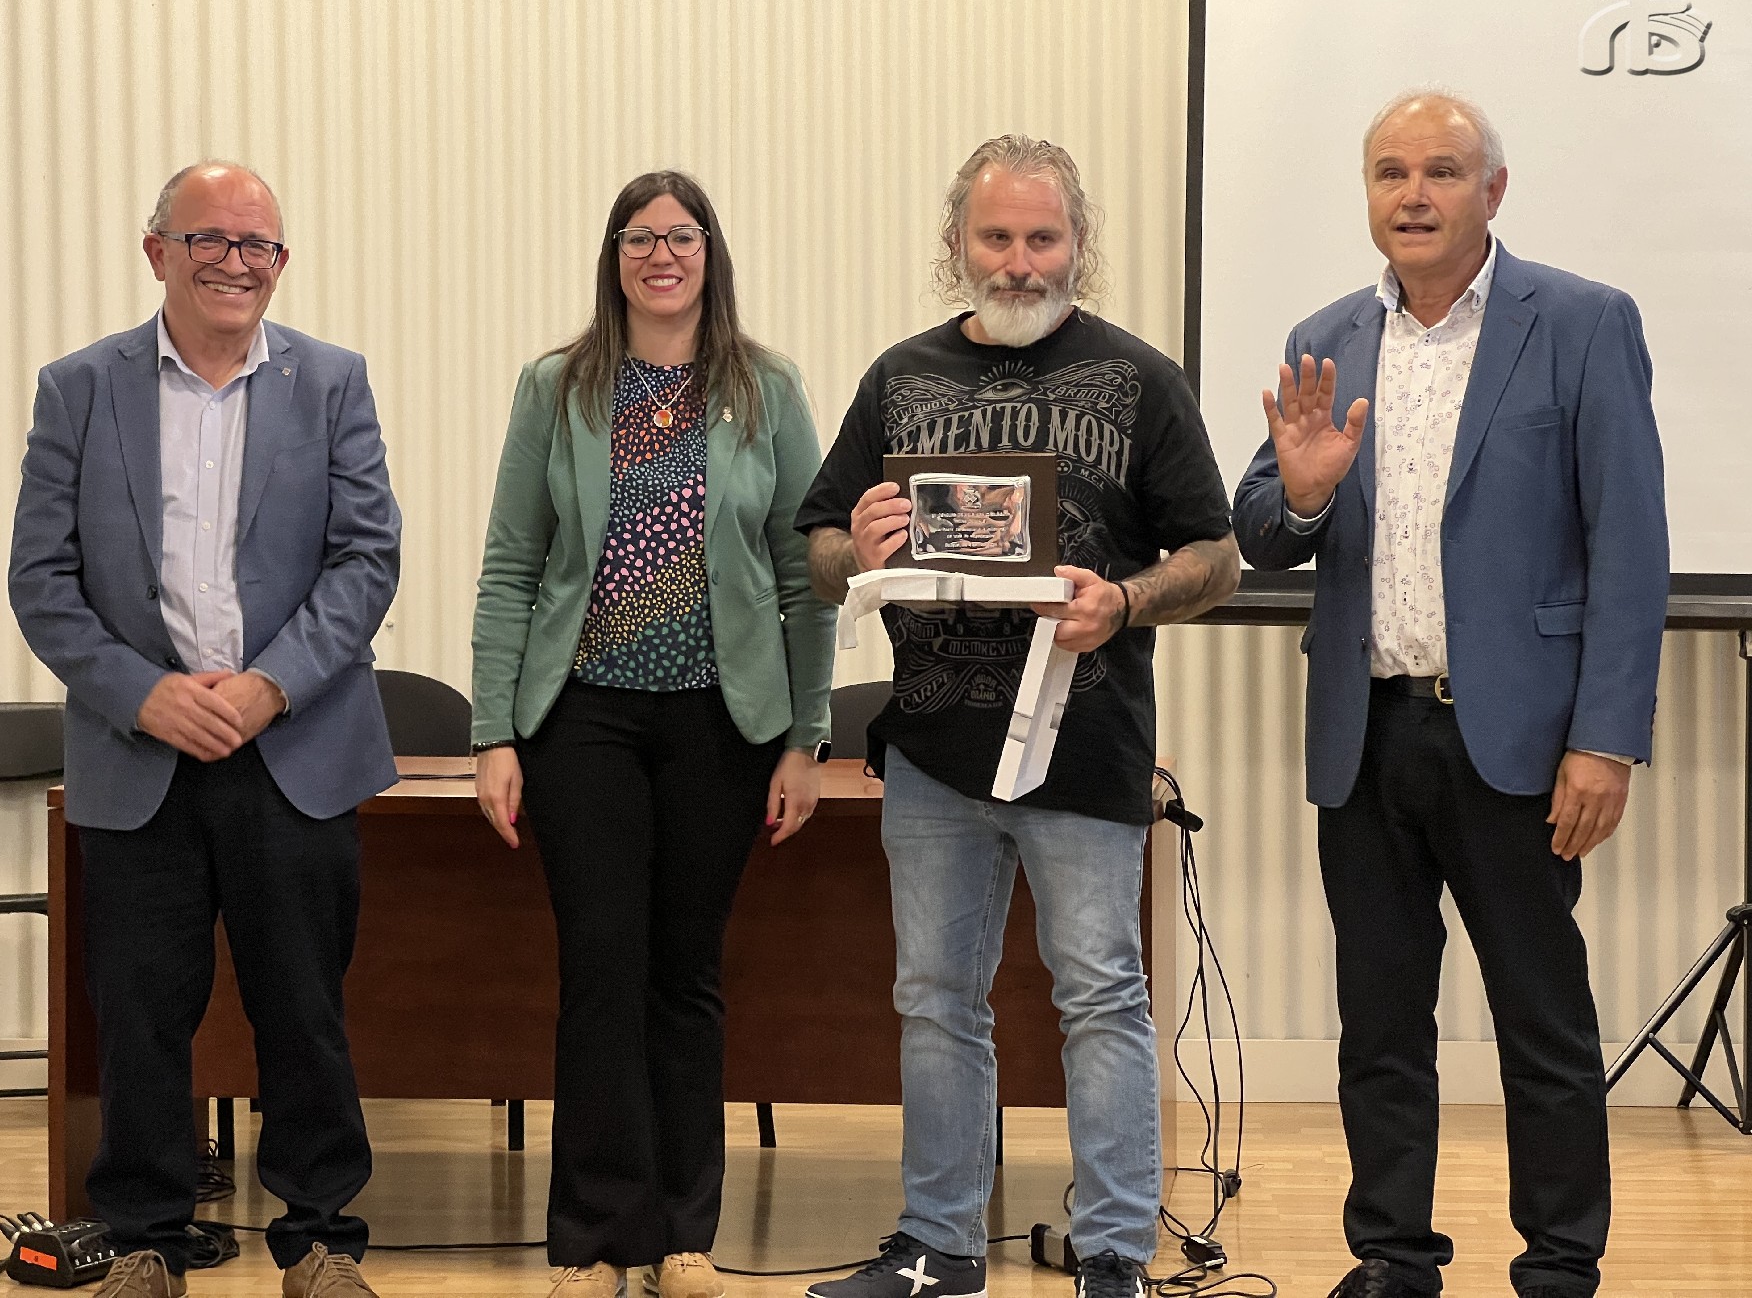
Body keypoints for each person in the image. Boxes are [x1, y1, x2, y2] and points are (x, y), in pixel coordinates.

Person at [1233, 90, 1667, 1298]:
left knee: (1542, 1020)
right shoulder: (1326, 335)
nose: (1413, 195)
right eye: (1390, 173)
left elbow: (1630, 546)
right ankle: (1393, 1255)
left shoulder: (1580, 322)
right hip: (1365, 735)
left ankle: (1561, 1263)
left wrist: (1606, 739)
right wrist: (1306, 493)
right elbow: (1261, 528)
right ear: (1368, 193)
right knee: (1379, 1024)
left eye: (1441, 171)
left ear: (1493, 189)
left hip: (1518, 738)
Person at [797, 135, 1240, 1298]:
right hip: (934, 754)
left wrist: (1125, 601)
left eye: (1043, 238)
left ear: (1079, 244)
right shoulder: (898, 379)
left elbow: (1217, 556)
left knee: (1102, 997)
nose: (1019, 261)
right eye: (996, 237)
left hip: (1084, 744)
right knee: (935, 1001)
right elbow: (820, 550)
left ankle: (1114, 1255)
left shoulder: (1141, 381)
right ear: (958, 243)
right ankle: (938, 1247)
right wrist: (860, 548)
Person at [8, 162, 401, 1298]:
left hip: (293, 751)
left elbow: (366, 558)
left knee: (304, 1012)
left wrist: (272, 684)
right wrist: (142, 692)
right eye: (209, 240)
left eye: (257, 245)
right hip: (142, 754)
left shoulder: (332, 381)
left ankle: (320, 1242)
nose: (236, 262)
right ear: (158, 253)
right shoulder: (80, 389)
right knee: (140, 1014)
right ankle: (146, 1242)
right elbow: (42, 580)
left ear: (281, 263)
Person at [470, 169, 836, 1298]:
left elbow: (805, 574)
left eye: (681, 236)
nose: (661, 256)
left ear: (710, 253)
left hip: (723, 722)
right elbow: (512, 566)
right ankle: (593, 1239)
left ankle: (682, 1237)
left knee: (685, 976)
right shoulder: (559, 387)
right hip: (583, 719)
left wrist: (807, 737)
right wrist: (493, 733)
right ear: (614, 257)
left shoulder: (765, 387)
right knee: (600, 972)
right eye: (639, 238)